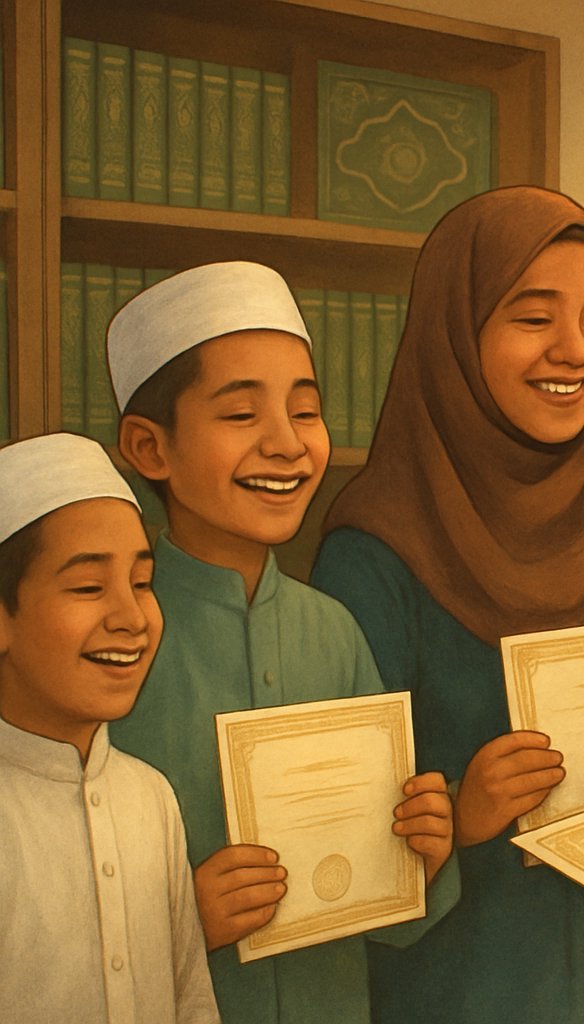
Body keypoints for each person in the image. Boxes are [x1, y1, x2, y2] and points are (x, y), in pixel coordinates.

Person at [309, 186, 584, 1024]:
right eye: (534, 317)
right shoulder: (374, 553)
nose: (575, 351)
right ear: (457, 335)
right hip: (469, 984)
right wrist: (461, 813)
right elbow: (327, 849)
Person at [105, 261, 459, 1024]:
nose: (287, 445)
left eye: (306, 412)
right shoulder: (115, 636)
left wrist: (422, 851)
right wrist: (177, 921)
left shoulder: (332, 629)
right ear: (149, 448)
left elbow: (391, 909)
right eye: (240, 416)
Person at [0, 432, 219, 1023]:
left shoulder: (150, 796)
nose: (130, 618)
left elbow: (191, 1001)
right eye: (88, 587)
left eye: (142, 584)